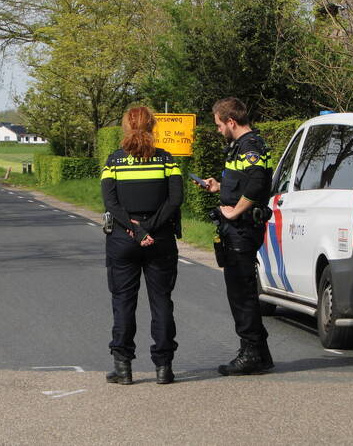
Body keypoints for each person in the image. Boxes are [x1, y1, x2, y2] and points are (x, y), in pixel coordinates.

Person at [101, 105, 184, 385]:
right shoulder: (166, 160)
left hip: (123, 239)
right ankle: (164, 367)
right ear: (152, 127)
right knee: (161, 302)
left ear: (125, 126)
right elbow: (175, 200)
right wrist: (149, 229)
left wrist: (135, 231)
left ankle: (123, 367)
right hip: (159, 238)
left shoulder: (113, 162)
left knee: (123, 302)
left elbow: (110, 203)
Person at [199, 97, 274, 375]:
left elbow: (257, 184)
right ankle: (260, 352)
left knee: (242, 293)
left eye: (219, 124)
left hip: (242, 229)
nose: (218, 129)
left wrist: (235, 211)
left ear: (231, 122)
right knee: (240, 291)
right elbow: (243, 182)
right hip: (237, 229)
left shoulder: (251, 146)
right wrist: (220, 188)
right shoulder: (240, 146)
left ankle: (251, 353)